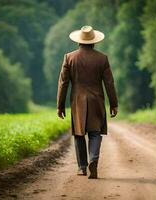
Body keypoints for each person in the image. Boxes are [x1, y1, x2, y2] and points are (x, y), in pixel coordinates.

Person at [57, 25, 118, 179]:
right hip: (97, 99)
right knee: (95, 133)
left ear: (79, 41)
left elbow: (63, 83)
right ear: (94, 42)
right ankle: (94, 160)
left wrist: (60, 105)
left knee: (79, 134)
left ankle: (82, 167)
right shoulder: (102, 58)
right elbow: (109, 83)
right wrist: (113, 103)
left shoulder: (69, 58)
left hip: (78, 101)